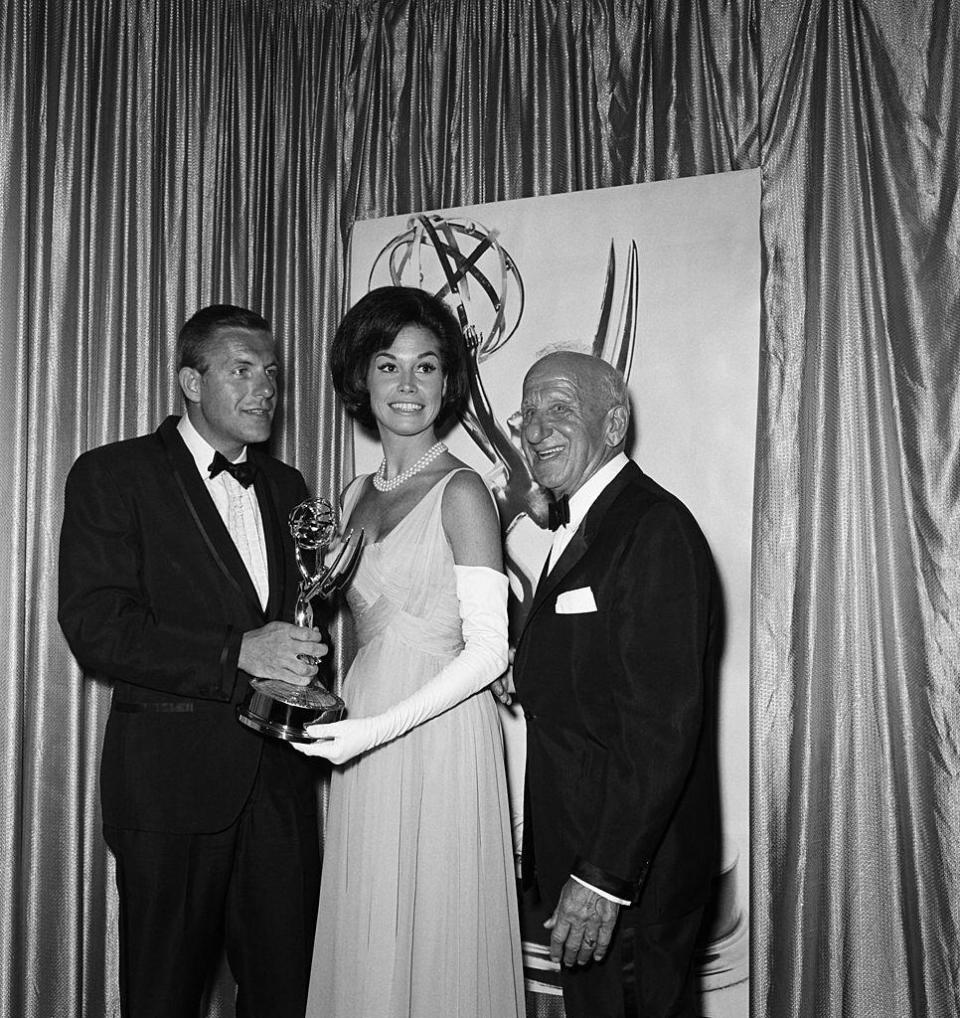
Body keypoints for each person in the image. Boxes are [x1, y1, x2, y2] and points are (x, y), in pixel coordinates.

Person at [58, 305, 327, 1018]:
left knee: (283, 999)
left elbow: (300, 614)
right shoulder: (113, 475)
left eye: (270, 372)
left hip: (280, 790)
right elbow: (97, 627)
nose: (265, 387)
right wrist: (236, 649)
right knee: (163, 999)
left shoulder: (291, 490)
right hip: (169, 791)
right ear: (188, 380)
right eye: (242, 370)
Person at [292, 286, 525, 1018]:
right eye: (389, 365)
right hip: (363, 735)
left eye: (427, 368)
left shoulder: (462, 492)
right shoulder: (355, 491)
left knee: (437, 933)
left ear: (449, 382)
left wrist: (370, 729)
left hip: (437, 736)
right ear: (361, 376)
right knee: (372, 927)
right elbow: (358, 632)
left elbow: (490, 652)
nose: (407, 385)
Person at [512, 350, 721, 1018]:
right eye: (530, 413)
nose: (538, 429)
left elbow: (660, 725)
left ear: (613, 424)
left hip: (632, 876)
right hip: (585, 856)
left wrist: (605, 877)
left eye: (560, 409)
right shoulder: (584, 521)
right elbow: (593, 680)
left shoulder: (652, 527)